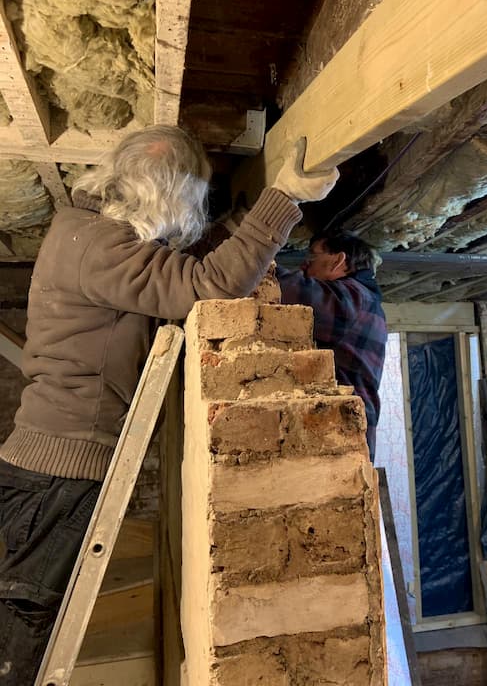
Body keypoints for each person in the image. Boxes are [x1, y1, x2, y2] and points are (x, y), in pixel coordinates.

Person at [0, 126, 338, 685]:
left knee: (23, 627)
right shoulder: (104, 249)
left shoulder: (83, 233)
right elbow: (208, 283)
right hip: (61, 472)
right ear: (167, 199)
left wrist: (246, 215)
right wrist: (285, 200)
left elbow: (177, 266)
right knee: (24, 642)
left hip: (45, 465)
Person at [277, 231, 387, 463]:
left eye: (312, 256)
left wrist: (254, 262)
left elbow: (290, 291)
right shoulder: (362, 301)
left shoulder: (354, 299)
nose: (304, 265)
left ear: (338, 260)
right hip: (345, 433)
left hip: (344, 434)